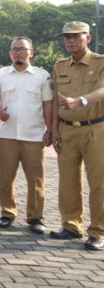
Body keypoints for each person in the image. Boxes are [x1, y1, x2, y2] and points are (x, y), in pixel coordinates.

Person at [50, 21, 104, 251]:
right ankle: (71, 225)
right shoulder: (60, 65)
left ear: (88, 38)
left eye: (76, 36)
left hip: (95, 129)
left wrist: (81, 100)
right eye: (67, 37)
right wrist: (53, 130)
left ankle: (98, 231)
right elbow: (54, 102)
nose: (71, 41)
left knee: (98, 183)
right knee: (68, 181)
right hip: (66, 129)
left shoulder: (101, 62)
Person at [0, 36, 52, 233]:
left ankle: (35, 218)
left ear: (31, 52)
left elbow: (48, 106)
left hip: (33, 136)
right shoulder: (1, 75)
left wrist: (50, 130)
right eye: (14, 49)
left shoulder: (43, 76)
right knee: (6, 178)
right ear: (10, 53)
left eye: (22, 49)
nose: (18, 52)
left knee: (36, 180)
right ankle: (7, 213)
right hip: (8, 135)